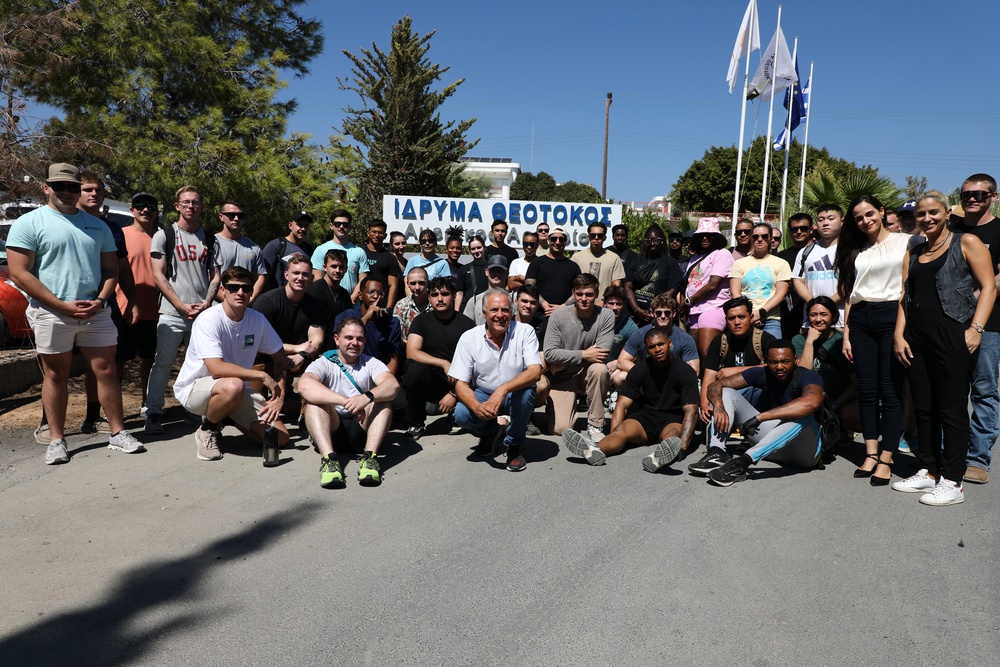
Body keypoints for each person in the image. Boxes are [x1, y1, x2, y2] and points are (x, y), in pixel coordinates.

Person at [7, 163, 145, 464]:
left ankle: (118, 433)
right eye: (60, 187)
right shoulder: (29, 223)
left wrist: (100, 299)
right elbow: (19, 273)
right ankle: (57, 439)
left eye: (72, 187)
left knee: (106, 369)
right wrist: (60, 305)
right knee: (56, 373)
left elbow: (111, 270)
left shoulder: (98, 226)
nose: (66, 192)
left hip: (94, 311)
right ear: (46, 188)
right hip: (51, 312)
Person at [892, 191, 995, 505]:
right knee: (924, 406)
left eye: (933, 212)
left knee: (951, 408)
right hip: (917, 336)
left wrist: (976, 329)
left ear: (947, 212)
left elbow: (989, 285)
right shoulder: (914, 249)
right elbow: (903, 296)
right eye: (921, 214)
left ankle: (953, 480)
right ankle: (930, 469)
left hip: (953, 332)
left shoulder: (966, 243)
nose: (927, 218)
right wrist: (899, 334)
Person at [835, 194, 914, 485]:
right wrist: (846, 333)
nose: (865, 220)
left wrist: (899, 333)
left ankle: (887, 457)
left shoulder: (906, 242)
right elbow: (849, 292)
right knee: (867, 391)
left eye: (870, 213)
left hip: (891, 314)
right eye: (858, 217)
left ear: (881, 212)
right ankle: (870, 453)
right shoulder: (856, 249)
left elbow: (907, 287)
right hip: (860, 320)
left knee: (890, 390)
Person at [172, 267, 288, 461]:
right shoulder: (209, 319)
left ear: (252, 291)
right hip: (195, 388)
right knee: (233, 384)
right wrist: (260, 375)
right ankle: (208, 429)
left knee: (280, 438)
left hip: (236, 391)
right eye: (233, 288)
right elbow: (216, 369)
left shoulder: (257, 320)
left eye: (245, 288)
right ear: (223, 291)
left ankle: (227, 415)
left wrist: (280, 396)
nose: (240, 293)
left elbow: (280, 357)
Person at [562, 327, 698, 471]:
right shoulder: (640, 369)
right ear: (646, 349)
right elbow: (622, 405)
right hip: (644, 418)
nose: (657, 349)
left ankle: (658, 459)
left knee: (672, 436)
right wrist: (614, 434)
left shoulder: (685, 371)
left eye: (661, 344)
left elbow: (691, 410)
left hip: (672, 419)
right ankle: (594, 449)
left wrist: (683, 447)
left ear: (669, 343)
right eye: (652, 347)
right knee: (620, 432)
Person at [694, 340, 826, 486]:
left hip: (805, 453)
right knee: (725, 392)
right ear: (765, 361)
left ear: (795, 360)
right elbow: (715, 385)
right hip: (771, 446)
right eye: (773, 362)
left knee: (803, 414)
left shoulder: (807, 376)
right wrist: (718, 406)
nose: (779, 367)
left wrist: (760, 417)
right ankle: (717, 452)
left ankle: (741, 463)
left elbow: (812, 402)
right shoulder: (762, 373)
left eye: (785, 361)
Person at [145, 185, 221, 434]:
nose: (191, 206)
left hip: (201, 314)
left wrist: (207, 303)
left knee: (200, 365)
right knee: (163, 363)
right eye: (186, 202)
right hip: (172, 312)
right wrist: (179, 304)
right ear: (177, 206)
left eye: (196, 202)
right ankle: (153, 412)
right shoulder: (164, 235)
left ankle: (195, 410)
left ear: (201, 207)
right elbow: (158, 274)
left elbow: (216, 276)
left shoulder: (209, 239)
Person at [299, 317, 400, 488]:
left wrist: (366, 397)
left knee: (383, 401)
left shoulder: (371, 362)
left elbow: (393, 385)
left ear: (365, 341)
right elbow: (304, 385)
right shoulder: (325, 362)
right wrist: (344, 401)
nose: (355, 343)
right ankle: (329, 462)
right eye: (349, 338)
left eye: (360, 339)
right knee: (314, 402)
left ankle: (370, 459)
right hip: (331, 431)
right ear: (337, 339)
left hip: (362, 430)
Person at [449, 289, 542, 472]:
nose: (500, 315)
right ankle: (490, 431)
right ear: (484, 313)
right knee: (461, 414)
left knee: (526, 394)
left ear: (512, 312)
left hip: (514, 392)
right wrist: (477, 407)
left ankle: (515, 444)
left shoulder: (525, 332)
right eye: (494, 310)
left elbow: (535, 372)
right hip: (483, 392)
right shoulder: (469, 338)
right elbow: (460, 383)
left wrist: (502, 390)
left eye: (505, 310)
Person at [949, 174, 1000, 485]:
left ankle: (978, 459)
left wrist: (979, 295)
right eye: (967, 194)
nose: (972, 199)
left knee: (984, 391)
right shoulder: (951, 230)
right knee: (950, 390)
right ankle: (949, 452)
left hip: (990, 324)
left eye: (980, 194)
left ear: (993, 196)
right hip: (948, 323)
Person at [77, 171, 136, 433]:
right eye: (88, 189)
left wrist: (131, 300)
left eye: (98, 190)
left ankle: (93, 417)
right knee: (58, 368)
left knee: (105, 364)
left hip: (105, 306)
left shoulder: (112, 228)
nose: (94, 194)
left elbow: (122, 269)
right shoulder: (65, 222)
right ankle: (48, 424)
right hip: (64, 306)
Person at [402, 277, 476, 439]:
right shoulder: (421, 321)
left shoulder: (467, 325)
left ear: (454, 296)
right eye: (435, 295)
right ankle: (416, 423)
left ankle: (457, 413)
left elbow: (473, 365)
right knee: (414, 369)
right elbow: (412, 352)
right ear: (429, 298)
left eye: (445, 294)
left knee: (466, 417)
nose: (440, 298)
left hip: (460, 382)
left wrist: (454, 394)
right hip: (432, 381)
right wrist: (443, 363)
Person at [542, 273, 614, 439]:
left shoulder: (606, 315)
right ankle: (554, 406)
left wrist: (566, 361)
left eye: (589, 294)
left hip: (585, 373)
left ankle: (596, 424)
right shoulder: (558, 316)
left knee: (599, 369)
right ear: (573, 293)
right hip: (561, 377)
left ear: (596, 295)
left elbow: (601, 353)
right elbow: (550, 353)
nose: (584, 299)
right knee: (561, 429)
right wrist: (584, 354)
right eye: (579, 294)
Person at [115, 192, 160, 410]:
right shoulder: (120, 236)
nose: (145, 209)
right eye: (140, 205)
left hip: (155, 310)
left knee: (149, 361)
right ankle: (112, 409)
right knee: (118, 361)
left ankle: (147, 403)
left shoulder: (162, 238)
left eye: (150, 206)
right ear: (131, 210)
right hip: (124, 309)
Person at [792, 296, 860, 433]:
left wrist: (835, 406)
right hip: (812, 397)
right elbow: (803, 373)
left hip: (840, 398)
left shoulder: (842, 341)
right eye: (813, 315)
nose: (818, 319)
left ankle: (842, 429)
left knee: (853, 415)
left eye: (823, 314)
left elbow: (856, 383)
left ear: (834, 316)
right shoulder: (799, 340)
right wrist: (810, 341)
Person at [252, 254, 324, 375]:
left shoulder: (315, 304)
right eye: (296, 273)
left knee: (319, 362)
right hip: (261, 360)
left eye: (305, 274)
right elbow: (257, 342)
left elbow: (317, 339)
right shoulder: (267, 302)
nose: (300, 278)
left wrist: (302, 354)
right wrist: (295, 348)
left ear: (311, 278)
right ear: (286, 275)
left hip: (293, 358)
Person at [613, 294, 699, 388]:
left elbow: (694, 370)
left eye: (667, 313)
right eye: (658, 313)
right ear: (652, 313)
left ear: (673, 314)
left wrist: (668, 376)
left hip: (672, 381)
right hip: (646, 380)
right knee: (620, 377)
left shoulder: (685, 338)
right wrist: (646, 373)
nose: (663, 316)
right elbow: (621, 361)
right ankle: (637, 402)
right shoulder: (640, 334)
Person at [682, 217, 733, 361]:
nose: (704, 238)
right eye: (700, 235)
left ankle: (711, 382)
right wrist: (687, 306)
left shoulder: (722, 253)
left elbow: (713, 284)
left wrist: (687, 302)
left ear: (716, 237)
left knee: (707, 353)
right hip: (694, 310)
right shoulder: (695, 257)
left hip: (713, 308)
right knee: (693, 355)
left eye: (709, 235)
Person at [729, 222, 791, 338]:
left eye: (764, 236)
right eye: (755, 237)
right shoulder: (739, 264)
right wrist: (749, 314)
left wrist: (761, 312)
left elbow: (781, 294)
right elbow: (735, 293)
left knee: (774, 353)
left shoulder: (781, 264)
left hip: (770, 319)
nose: (759, 239)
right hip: (743, 318)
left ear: (770, 238)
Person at [333, 276, 402, 375]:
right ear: (360, 295)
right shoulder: (345, 317)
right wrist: (366, 317)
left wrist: (385, 382)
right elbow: (339, 346)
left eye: (380, 293)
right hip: (347, 370)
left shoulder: (392, 323)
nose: (376, 296)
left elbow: (392, 360)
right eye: (371, 292)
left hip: (377, 373)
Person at [791, 205, 844, 329]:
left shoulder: (849, 250)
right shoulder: (806, 251)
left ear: (842, 222)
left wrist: (826, 305)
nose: (825, 223)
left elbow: (850, 284)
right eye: (821, 219)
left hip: (841, 322)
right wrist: (814, 305)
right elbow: (797, 280)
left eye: (831, 219)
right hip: (810, 323)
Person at [624, 224, 683, 324]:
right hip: (635, 315)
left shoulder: (671, 263)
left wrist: (654, 307)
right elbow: (628, 287)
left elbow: (673, 290)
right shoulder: (636, 262)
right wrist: (637, 310)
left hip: (659, 315)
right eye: (648, 241)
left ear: (662, 241)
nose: (652, 243)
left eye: (656, 240)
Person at [213, 200, 267, 305]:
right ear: (221, 217)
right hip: (217, 306)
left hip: (245, 308)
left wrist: (249, 300)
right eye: (231, 215)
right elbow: (207, 277)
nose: (236, 219)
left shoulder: (254, 247)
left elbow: (261, 276)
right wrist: (228, 301)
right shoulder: (211, 244)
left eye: (240, 215)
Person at [310, 209, 370, 302]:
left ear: (350, 227)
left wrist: (351, 300)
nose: (341, 227)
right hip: (327, 302)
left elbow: (363, 280)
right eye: (337, 224)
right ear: (331, 226)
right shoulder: (321, 250)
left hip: (352, 304)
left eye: (345, 224)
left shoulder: (359, 252)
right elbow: (317, 278)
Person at [525, 226, 581, 316]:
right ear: (548, 239)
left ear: (566, 241)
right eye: (554, 239)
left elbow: (579, 291)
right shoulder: (537, 262)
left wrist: (562, 307)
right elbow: (529, 287)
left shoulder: (573, 267)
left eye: (561, 239)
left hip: (565, 315)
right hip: (539, 315)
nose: (557, 242)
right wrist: (544, 305)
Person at [306, 248, 353, 352]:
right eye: (333, 266)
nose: (337, 270)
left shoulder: (344, 294)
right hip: (318, 352)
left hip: (339, 351)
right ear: (325, 268)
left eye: (341, 267)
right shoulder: (315, 290)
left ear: (346, 269)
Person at [777, 213, 813, 338]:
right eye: (794, 229)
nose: (798, 232)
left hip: (814, 308)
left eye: (803, 228)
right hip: (788, 313)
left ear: (811, 229)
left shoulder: (819, 252)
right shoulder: (781, 257)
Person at [572, 223, 625, 305]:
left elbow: (615, 286)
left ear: (605, 238)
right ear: (588, 237)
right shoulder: (577, 257)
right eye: (593, 235)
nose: (596, 238)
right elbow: (572, 284)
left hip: (603, 307)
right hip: (581, 305)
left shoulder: (614, 258)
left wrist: (603, 301)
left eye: (600, 236)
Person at [261, 210, 314, 289]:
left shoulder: (310, 250)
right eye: (299, 225)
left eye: (306, 226)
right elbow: (262, 275)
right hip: (277, 298)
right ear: (290, 225)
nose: (303, 229)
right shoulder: (276, 246)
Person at [363, 219, 401, 309]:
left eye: (380, 233)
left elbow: (393, 285)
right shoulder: (360, 253)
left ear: (385, 236)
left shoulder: (390, 258)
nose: (377, 235)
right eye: (374, 232)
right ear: (368, 233)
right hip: (360, 305)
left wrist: (389, 308)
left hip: (381, 305)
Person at [462, 255, 510, 325]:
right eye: (493, 270)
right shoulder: (474, 301)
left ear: (507, 273)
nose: (496, 274)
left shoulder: (513, 300)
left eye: (500, 270)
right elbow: (465, 326)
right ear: (486, 272)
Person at [392, 266, 432, 342]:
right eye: (413, 283)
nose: (417, 287)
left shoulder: (435, 303)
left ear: (428, 282)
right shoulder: (401, 305)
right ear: (407, 284)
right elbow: (397, 334)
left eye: (421, 283)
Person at [454, 234, 488, 313]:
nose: (476, 251)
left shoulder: (491, 268)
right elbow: (459, 293)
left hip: (486, 307)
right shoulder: (464, 269)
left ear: (484, 248)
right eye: (473, 249)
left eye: (479, 247)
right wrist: (456, 314)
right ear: (470, 251)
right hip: (467, 308)